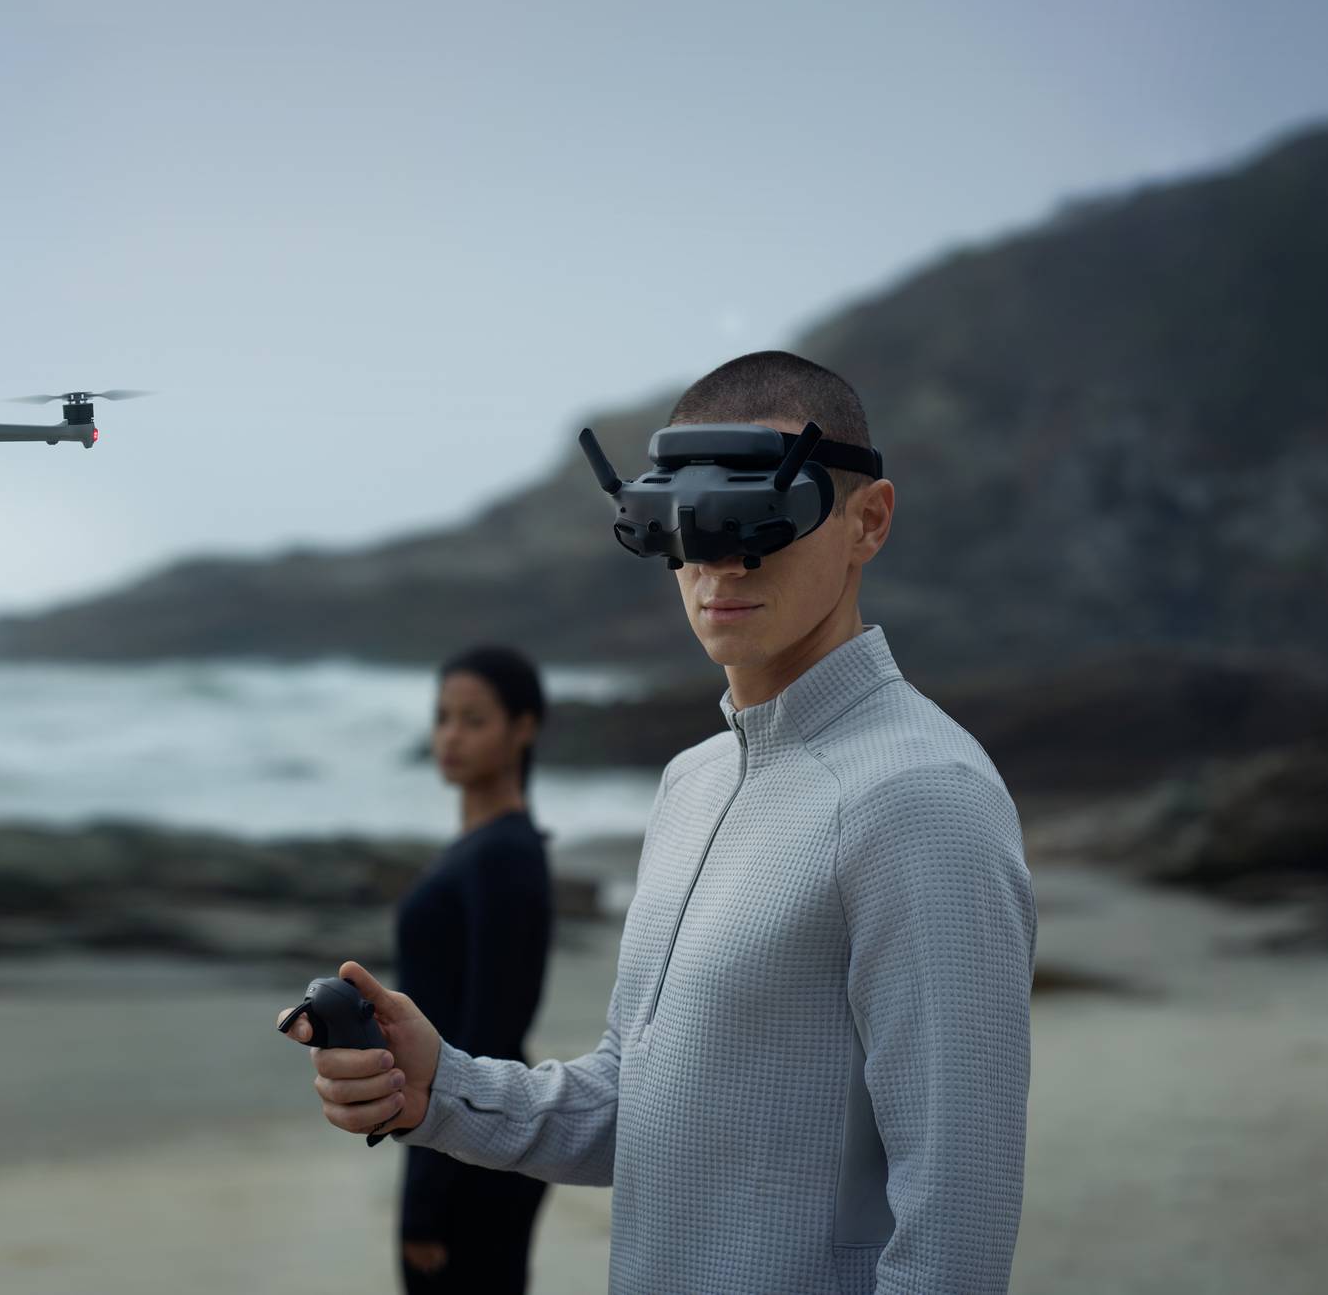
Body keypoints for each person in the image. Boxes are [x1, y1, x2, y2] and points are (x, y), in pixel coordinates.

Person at [279, 350, 1037, 1294]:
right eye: (680, 523)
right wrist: (443, 1087)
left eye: (757, 515)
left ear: (866, 522)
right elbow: (640, 1103)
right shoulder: (693, 782)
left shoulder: (922, 796)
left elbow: (957, 1217)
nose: (717, 560)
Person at [393, 645, 557, 1293]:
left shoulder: (505, 857)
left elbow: (488, 1036)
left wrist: (429, 1197)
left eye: (473, 718)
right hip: (457, 1139)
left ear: (524, 727)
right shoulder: (484, 848)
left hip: (474, 1158)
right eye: (442, 717)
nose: (449, 736)